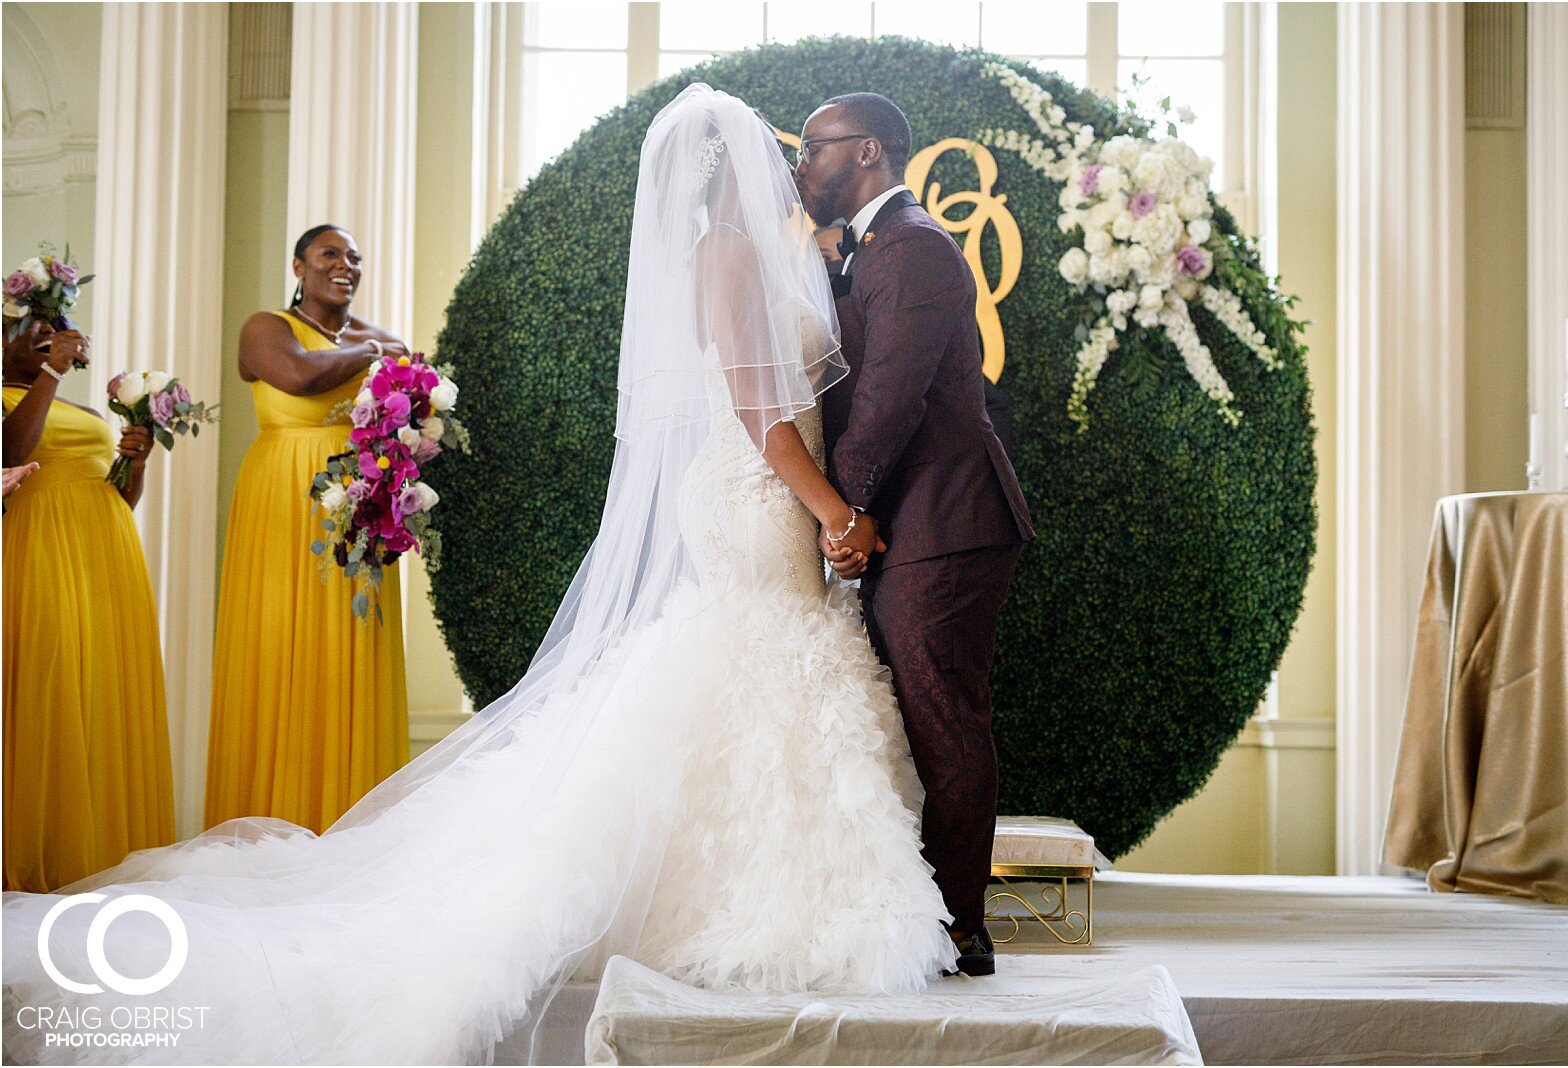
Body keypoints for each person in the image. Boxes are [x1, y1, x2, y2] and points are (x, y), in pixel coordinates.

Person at [1, 85, 956, 1065]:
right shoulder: (731, 254)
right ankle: (755, 896)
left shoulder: (767, 254)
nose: (791, 168)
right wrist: (832, 508)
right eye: (776, 154)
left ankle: (732, 880)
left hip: (762, 487)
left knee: (741, 669)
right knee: (768, 657)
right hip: (757, 490)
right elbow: (760, 408)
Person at [795, 92, 1036, 976]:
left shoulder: (916, 249)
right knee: (918, 722)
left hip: (945, 521)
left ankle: (960, 926)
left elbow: (890, 400)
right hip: (917, 519)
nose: (800, 165)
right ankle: (918, 912)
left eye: (813, 148)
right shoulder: (872, 247)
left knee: (945, 722)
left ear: (865, 153)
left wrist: (844, 518)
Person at [205, 226, 411, 834]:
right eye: (329, 254)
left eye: (354, 257)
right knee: (278, 638)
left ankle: (352, 821)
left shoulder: (378, 337)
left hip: (359, 508)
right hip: (281, 503)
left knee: (351, 644)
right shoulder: (264, 327)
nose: (344, 265)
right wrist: (373, 356)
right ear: (299, 266)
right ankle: (274, 817)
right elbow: (297, 376)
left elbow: (411, 399)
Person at [0, 314, 174, 892]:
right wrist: (51, 370)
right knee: (49, 691)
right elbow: (9, 451)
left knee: (96, 693)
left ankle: (100, 854)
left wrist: (138, 460)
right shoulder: (12, 401)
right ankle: (39, 862)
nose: (51, 332)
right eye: (35, 325)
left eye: (60, 326)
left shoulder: (87, 414)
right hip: (40, 551)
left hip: (106, 560)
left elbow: (118, 494)